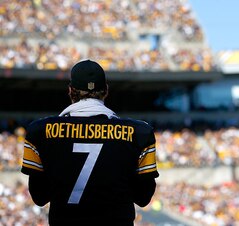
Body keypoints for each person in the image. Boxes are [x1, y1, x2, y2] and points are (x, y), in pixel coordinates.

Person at [21, 59, 159, 226]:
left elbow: (39, 197)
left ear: (70, 91)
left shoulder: (40, 131)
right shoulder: (139, 133)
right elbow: (143, 198)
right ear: (106, 90)